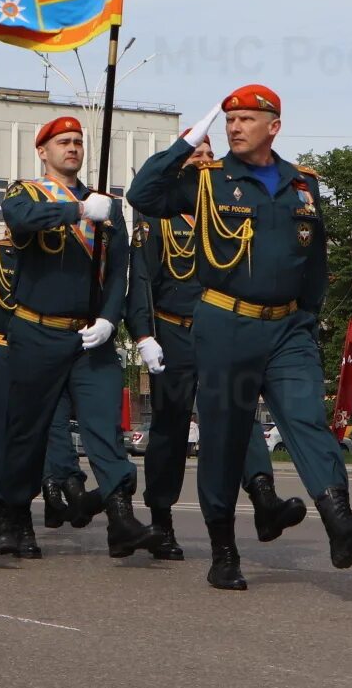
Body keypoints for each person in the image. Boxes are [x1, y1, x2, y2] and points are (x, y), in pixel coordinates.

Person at [128, 85, 352, 591]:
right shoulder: (206, 182)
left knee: (307, 419)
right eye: (230, 120)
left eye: (247, 119)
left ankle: (342, 525)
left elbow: (315, 262)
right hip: (227, 325)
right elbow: (142, 194)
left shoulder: (303, 187)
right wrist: (185, 145)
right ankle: (224, 551)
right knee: (226, 438)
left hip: (289, 327)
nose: (234, 128)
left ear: (274, 125)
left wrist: (309, 319)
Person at [0, 116, 157, 561]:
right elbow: (20, 220)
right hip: (36, 329)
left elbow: (118, 270)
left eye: (78, 142)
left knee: (105, 425)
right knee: (28, 431)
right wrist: (78, 211)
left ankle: (121, 519)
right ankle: (16, 520)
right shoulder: (26, 193)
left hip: (89, 336)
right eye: (63, 142)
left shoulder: (106, 205)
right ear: (42, 151)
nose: (73, 148)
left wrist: (108, 317)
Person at [128, 159, 303, 560]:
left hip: (225, 328)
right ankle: (161, 519)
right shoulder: (158, 222)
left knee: (237, 415)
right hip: (173, 332)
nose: (202, 163)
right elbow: (141, 280)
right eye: (194, 158)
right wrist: (143, 336)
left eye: (208, 155)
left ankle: (264, 498)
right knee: (170, 429)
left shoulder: (231, 211)